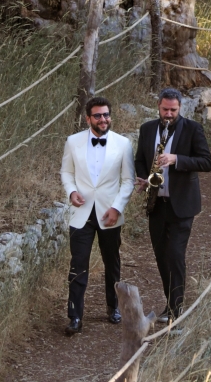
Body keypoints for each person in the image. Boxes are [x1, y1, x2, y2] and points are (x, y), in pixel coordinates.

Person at [135, 87, 211, 323]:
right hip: (156, 203)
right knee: (161, 256)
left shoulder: (193, 129)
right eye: (165, 109)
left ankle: (177, 310)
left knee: (175, 254)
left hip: (182, 204)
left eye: (173, 110)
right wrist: (143, 177)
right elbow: (140, 158)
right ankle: (170, 305)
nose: (169, 114)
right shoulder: (147, 129)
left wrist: (176, 159)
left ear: (180, 108)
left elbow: (206, 162)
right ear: (158, 106)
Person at [60, 96, 136, 335]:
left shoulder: (123, 144)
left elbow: (128, 180)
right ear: (88, 118)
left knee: (111, 263)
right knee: (78, 264)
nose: (103, 119)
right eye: (98, 116)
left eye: (106, 115)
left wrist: (117, 208)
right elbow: (66, 172)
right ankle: (75, 316)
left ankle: (113, 307)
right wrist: (71, 192)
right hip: (81, 213)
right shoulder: (73, 142)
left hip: (109, 214)